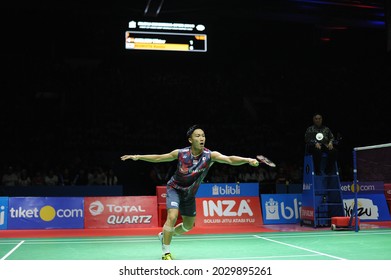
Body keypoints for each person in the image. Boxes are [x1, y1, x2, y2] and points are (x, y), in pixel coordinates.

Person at [120, 124, 262, 260]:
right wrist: (138, 156)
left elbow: (229, 159)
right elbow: (159, 157)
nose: (201, 138)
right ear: (190, 140)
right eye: (198, 136)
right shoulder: (181, 153)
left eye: (203, 136)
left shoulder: (209, 155)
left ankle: (166, 234)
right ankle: (166, 252)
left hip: (189, 194)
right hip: (174, 188)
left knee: (188, 226)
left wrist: (247, 160)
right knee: (172, 216)